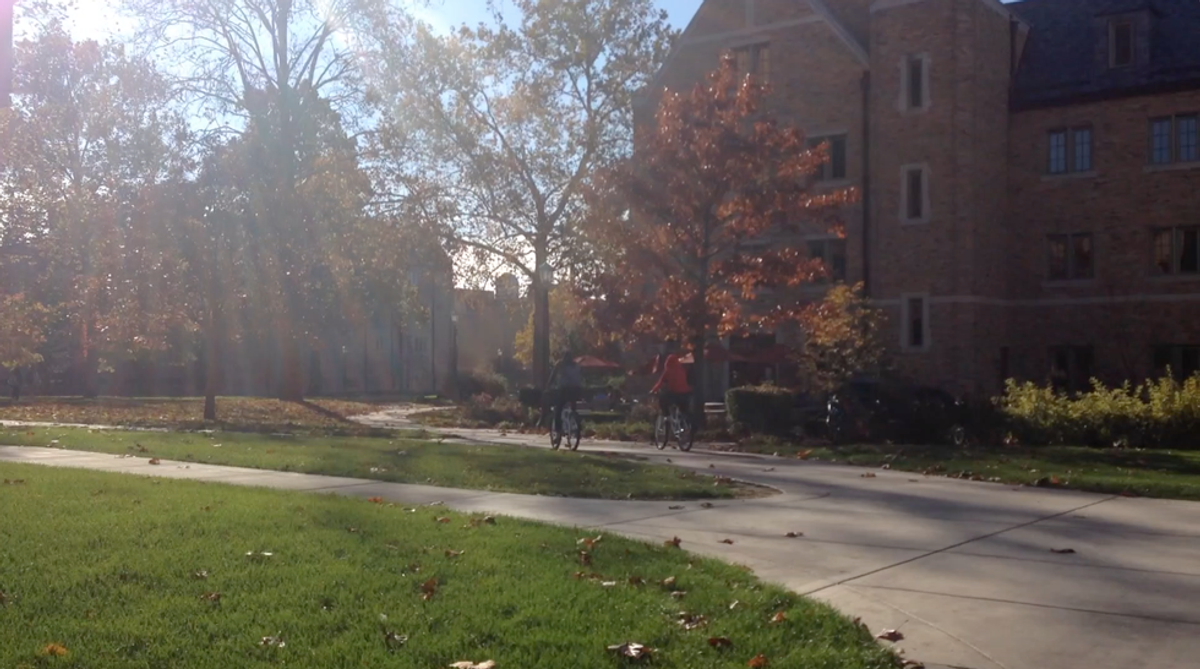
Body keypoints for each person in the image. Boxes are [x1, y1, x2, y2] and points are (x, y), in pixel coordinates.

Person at [650, 344, 691, 423]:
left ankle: (667, 416)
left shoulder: (668, 371)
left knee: (663, 400)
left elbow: (660, 383)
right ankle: (685, 424)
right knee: (684, 410)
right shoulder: (682, 370)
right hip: (686, 394)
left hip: (675, 393)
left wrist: (652, 391)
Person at [545, 351, 584, 434]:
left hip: (564, 389)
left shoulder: (560, 364)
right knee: (573, 405)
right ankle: (574, 420)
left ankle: (558, 430)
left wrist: (548, 386)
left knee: (558, 408)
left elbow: (553, 376)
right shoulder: (577, 365)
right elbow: (580, 377)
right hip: (577, 389)